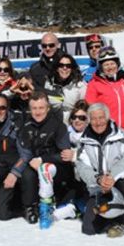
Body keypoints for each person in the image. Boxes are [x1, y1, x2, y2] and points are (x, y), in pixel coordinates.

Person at [76, 103, 124, 237]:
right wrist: (98, 179)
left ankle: (123, 221)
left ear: (108, 118)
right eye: (94, 119)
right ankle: (109, 217)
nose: (98, 122)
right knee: (89, 229)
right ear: (89, 121)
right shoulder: (84, 140)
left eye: (101, 118)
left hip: (118, 183)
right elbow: (82, 167)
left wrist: (112, 176)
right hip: (98, 186)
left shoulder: (122, 135)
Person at [18, 92, 77, 224]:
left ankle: (50, 204)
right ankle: (30, 207)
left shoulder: (58, 126)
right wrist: (30, 160)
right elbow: (23, 149)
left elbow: (64, 155)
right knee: (27, 173)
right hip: (33, 163)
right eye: (34, 108)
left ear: (48, 108)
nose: (38, 112)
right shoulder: (26, 126)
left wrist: (42, 159)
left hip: (56, 165)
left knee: (46, 168)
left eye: (41, 108)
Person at [85, 47, 124, 139]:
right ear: (101, 67)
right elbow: (91, 109)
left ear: (117, 64)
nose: (110, 67)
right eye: (106, 65)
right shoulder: (94, 84)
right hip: (107, 134)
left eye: (112, 63)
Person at [44, 53, 87, 121]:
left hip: (73, 123)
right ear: (57, 68)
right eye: (61, 65)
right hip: (53, 123)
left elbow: (84, 109)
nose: (65, 68)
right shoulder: (49, 84)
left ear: (72, 69)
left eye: (68, 66)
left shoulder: (80, 85)